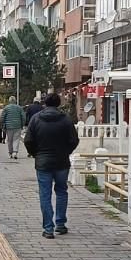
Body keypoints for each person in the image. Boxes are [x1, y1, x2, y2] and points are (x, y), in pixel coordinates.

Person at [23, 93, 80, 239]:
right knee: (61, 191)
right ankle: (60, 224)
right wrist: (66, 152)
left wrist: (36, 154)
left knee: (45, 194)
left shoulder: (36, 119)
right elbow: (74, 140)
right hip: (62, 162)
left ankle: (48, 228)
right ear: (59, 103)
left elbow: (28, 140)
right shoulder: (65, 119)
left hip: (43, 162)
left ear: (45, 103)